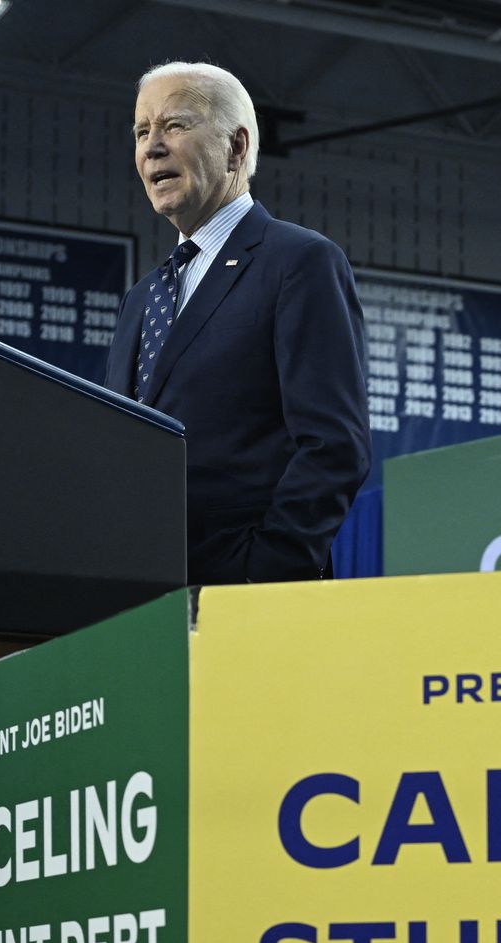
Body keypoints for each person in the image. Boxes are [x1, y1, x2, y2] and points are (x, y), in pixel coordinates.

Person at [105, 61, 369, 585]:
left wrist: (266, 571)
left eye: (175, 125)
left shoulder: (298, 261)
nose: (151, 147)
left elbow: (333, 444)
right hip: (141, 593)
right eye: (141, 131)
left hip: (248, 594)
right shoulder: (143, 298)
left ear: (236, 147)